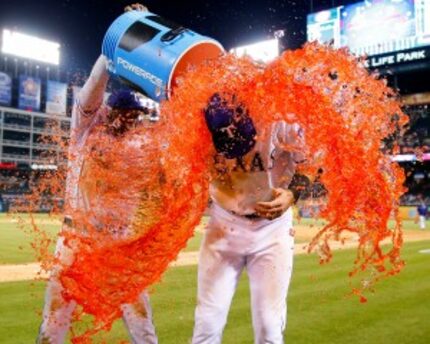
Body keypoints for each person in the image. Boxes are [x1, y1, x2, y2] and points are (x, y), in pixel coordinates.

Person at [36, 5, 158, 343]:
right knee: (54, 324)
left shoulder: (141, 144)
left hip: (120, 246)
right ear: (108, 110)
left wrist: (148, 33)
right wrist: (116, 47)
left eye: (133, 115)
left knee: (143, 328)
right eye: (122, 113)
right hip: (77, 242)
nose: (128, 120)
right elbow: (93, 82)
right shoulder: (86, 128)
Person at [192, 93, 305, 344]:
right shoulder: (196, 123)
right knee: (207, 321)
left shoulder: (282, 118)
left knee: (269, 326)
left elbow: (310, 162)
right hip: (224, 219)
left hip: (272, 226)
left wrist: (292, 194)